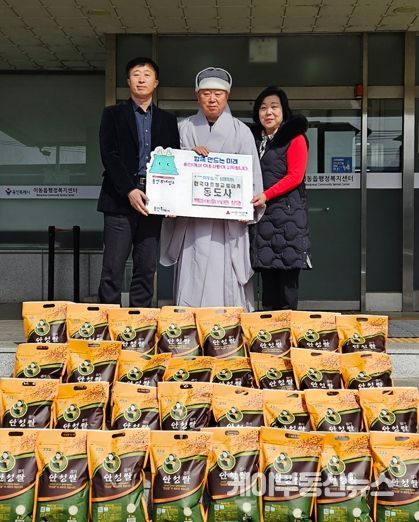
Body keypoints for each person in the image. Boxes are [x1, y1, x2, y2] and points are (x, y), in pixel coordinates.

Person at [160, 67, 264, 310]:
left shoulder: (241, 130)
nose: (212, 99)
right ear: (197, 96)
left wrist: (248, 207)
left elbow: (253, 175)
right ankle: (190, 326)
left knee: (225, 276)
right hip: (192, 223)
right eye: (206, 93)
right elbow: (171, 168)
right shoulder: (184, 128)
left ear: (227, 96)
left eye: (218, 94)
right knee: (193, 271)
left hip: (227, 224)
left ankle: (228, 327)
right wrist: (188, 156)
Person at [97, 57, 180, 307]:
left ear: (156, 82)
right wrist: (130, 190)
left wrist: (171, 200)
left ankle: (140, 323)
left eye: (147, 75)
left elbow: (173, 160)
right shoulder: (112, 114)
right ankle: (106, 321)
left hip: (154, 201)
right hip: (119, 199)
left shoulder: (168, 120)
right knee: (112, 267)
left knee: (146, 268)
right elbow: (109, 155)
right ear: (128, 81)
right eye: (136, 74)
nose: (141, 79)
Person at [250, 86, 311, 310]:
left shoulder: (295, 138)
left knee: (287, 287)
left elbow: (295, 176)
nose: (268, 112)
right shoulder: (255, 140)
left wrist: (266, 195)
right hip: (263, 220)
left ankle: (285, 329)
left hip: (288, 220)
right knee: (268, 286)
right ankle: (270, 330)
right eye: (263, 108)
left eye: (274, 107)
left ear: (284, 111)